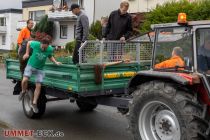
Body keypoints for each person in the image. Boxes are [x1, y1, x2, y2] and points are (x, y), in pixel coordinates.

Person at [19, 39, 61, 113]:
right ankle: (23, 91)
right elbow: (28, 43)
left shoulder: (49, 49)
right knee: (25, 80)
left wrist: (56, 62)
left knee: (38, 86)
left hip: (40, 69)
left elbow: (50, 56)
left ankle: (34, 103)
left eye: (45, 48)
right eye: (42, 47)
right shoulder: (36, 44)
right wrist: (27, 53)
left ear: (48, 45)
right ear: (40, 43)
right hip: (30, 65)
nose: (43, 49)